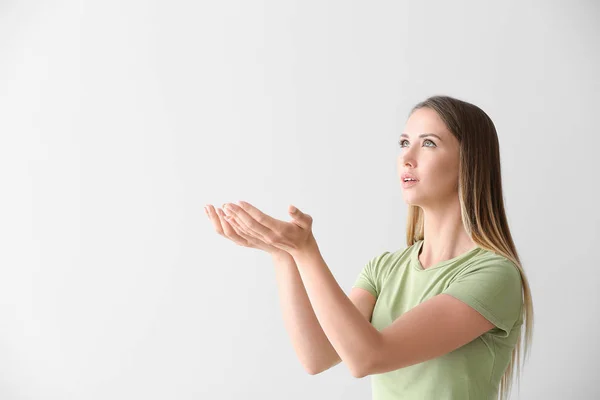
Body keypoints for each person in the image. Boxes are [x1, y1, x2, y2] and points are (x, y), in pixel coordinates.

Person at [204, 95, 534, 400]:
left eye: (428, 144)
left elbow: (369, 357)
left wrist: (306, 251)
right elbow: (317, 355)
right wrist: (283, 253)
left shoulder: (494, 275)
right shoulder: (385, 269)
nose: (407, 157)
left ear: (470, 162)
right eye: (404, 143)